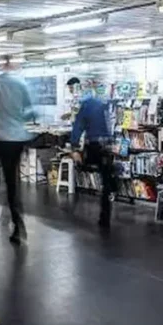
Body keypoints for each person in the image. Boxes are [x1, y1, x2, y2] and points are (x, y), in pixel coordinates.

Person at [0, 57, 37, 245]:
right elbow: (31, 112)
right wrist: (18, 116)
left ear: (2, 65)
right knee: (15, 179)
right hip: (20, 138)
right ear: (15, 66)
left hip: (3, 137)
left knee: (9, 179)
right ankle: (14, 210)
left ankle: (17, 222)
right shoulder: (22, 84)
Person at [70, 87, 114, 229]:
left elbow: (78, 127)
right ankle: (105, 216)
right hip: (107, 145)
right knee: (106, 180)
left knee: (83, 165)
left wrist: (74, 146)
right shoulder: (103, 105)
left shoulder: (86, 107)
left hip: (94, 145)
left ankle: (83, 180)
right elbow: (109, 124)